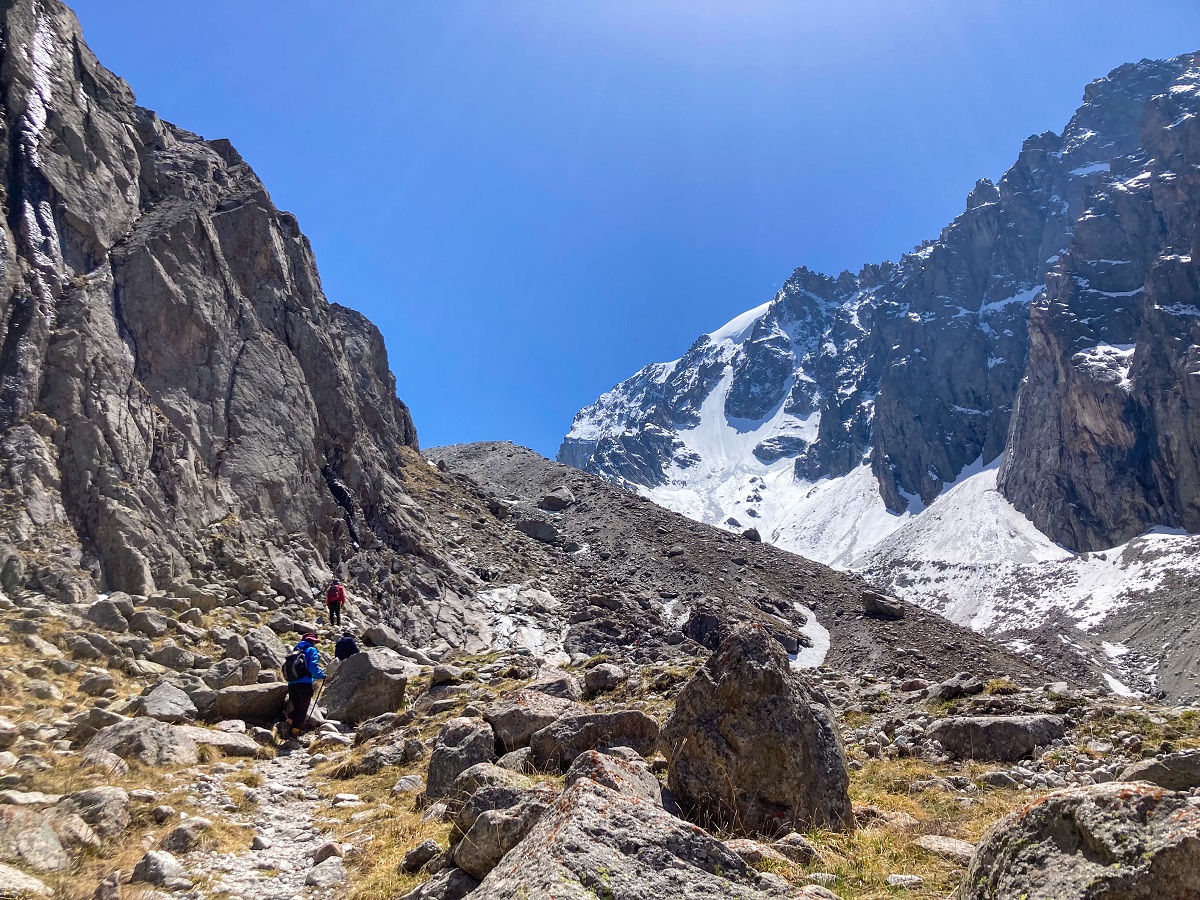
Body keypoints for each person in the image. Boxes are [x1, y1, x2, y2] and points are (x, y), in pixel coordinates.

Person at [284, 632, 325, 738]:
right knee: (302, 711)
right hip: (305, 683)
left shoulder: (295, 651)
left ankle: (289, 720)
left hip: (292, 684)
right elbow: (312, 667)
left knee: (296, 708)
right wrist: (322, 676)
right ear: (312, 641)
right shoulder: (311, 650)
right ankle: (295, 733)